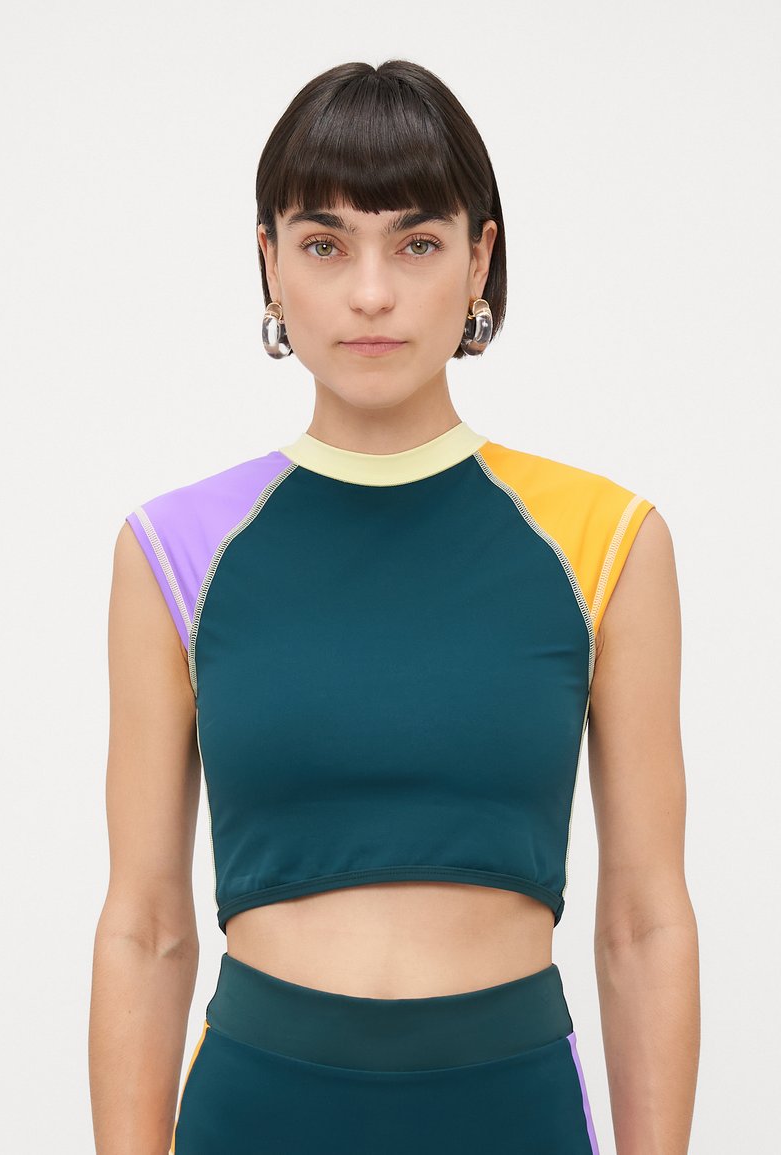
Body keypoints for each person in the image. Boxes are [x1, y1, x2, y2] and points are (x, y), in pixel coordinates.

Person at [89, 59, 700, 1154]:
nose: (370, 293)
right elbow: (144, 926)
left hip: (509, 1113)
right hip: (255, 1114)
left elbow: (643, 921)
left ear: (479, 259)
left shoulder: (605, 540)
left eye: (416, 243)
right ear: (269, 263)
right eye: (324, 244)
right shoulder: (174, 550)